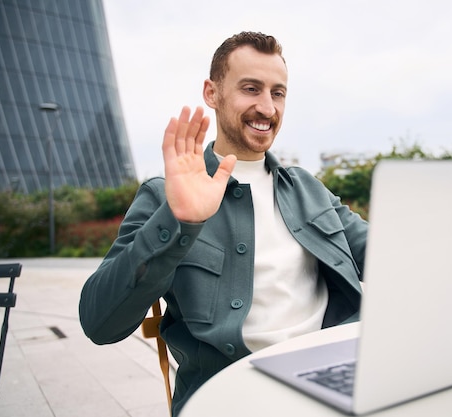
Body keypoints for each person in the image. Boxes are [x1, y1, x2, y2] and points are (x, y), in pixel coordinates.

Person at [79, 31, 368, 416]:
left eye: (277, 93)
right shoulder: (164, 196)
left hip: (331, 384)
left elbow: (397, 255)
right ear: (212, 93)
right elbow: (99, 323)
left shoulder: (308, 190)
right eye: (251, 88)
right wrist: (178, 222)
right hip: (231, 398)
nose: (267, 107)